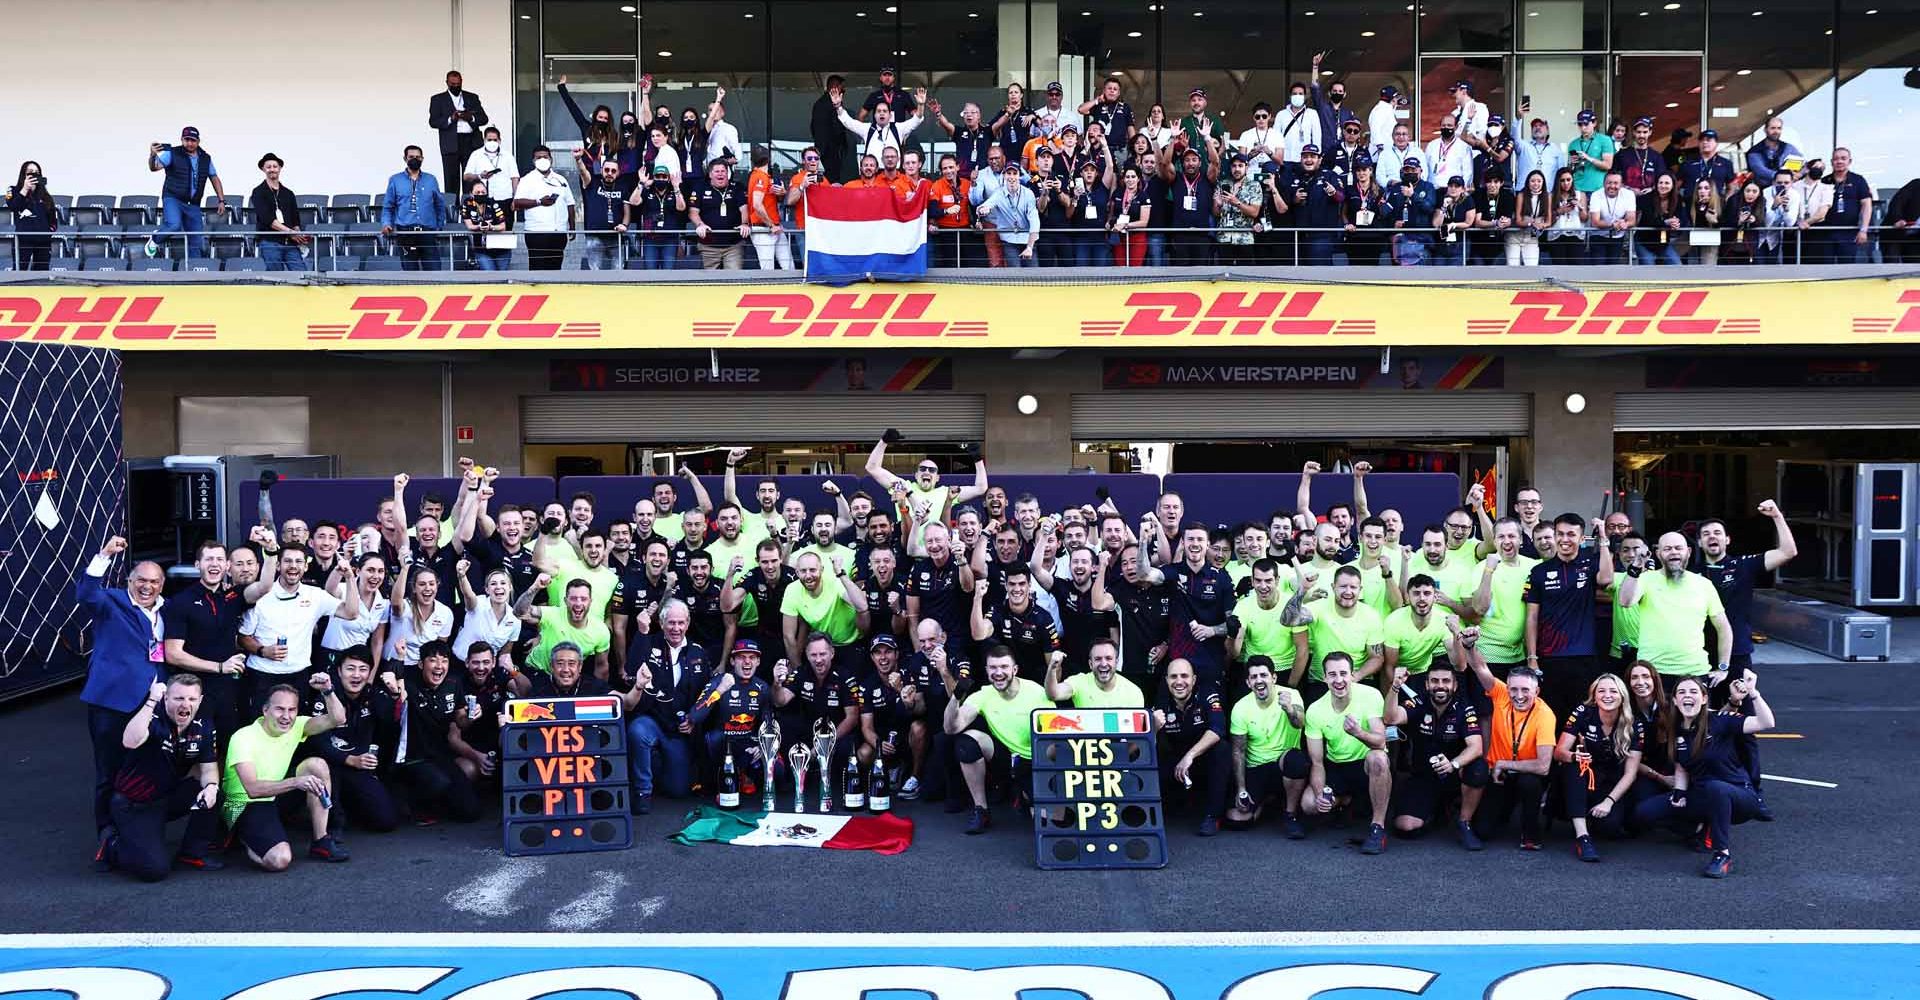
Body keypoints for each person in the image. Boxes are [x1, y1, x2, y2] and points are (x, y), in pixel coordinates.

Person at [1631, 673, 1775, 877]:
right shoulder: (1677, 728)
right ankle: (1699, 827)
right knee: (1644, 812)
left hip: (1739, 798)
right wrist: (1679, 793)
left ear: (1704, 698)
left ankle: (1722, 855)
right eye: (1681, 692)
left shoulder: (1719, 721)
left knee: (1716, 788)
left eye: (1693, 691)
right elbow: (1682, 766)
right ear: (1675, 700)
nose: (1687, 696)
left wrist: (1753, 693)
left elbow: (1766, 722)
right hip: (1701, 795)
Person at [96, 674, 223, 880]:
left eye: (191, 699)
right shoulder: (151, 717)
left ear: (200, 701)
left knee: (215, 792)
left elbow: (209, 769)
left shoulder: (204, 726)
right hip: (135, 804)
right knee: (154, 870)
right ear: (166, 699)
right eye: (178, 698)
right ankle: (111, 844)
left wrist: (210, 787)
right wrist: (151, 700)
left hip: (167, 796)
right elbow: (130, 741)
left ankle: (192, 852)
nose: (185, 704)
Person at [220, 674, 349, 870]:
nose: (286, 716)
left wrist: (327, 691)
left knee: (316, 765)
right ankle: (241, 836)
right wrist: (296, 782)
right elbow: (252, 789)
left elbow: (338, 718)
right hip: (245, 804)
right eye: (279, 709)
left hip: (276, 797)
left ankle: (321, 840)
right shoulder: (243, 737)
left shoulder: (296, 725)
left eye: (292, 710)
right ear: (265, 710)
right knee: (279, 859)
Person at [1459, 623, 1555, 849]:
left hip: (1525, 773)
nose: (1519, 696)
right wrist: (1470, 646)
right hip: (1498, 776)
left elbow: (1543, 766)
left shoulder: (1545, 715)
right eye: (1514, 689)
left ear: (1536, 692)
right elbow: (1480, 668)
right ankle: (1504, 811)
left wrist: (1505, 763)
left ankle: (1531, 834)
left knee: (1530, 783)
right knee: (1483, 831)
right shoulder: (1501, 694)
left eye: (1525, 691)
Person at [944, 645, 1052, 834]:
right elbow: (951, 728)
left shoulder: (1036, 692)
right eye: (993, 668)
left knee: (1045, 823)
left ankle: (1026, 794)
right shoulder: (984, 694)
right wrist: (956, 697)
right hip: (1004, 758)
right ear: (986, 671)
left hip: (1034, 760)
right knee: (966, 743)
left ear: (1014, 670)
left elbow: (1053, 738)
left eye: (1003, 667)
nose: (998, 673)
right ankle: (981, 810)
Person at [1385, 657, 1487, 849]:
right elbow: (1390, 718)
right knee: (1405, 827)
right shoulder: (1418, 702)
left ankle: (1464, 822)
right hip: (1423, 776)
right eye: (1435, 681)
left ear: (1455, 685)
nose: (1440, 686)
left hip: (1455, 775)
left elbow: (1476, 747)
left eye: (1446, 681)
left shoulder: (1464, 707)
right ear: (1427, 684)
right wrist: (1395, 687)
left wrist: (1453, 764)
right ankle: (1436, 810)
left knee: (1478, 768)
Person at [160, 541, 249, 746]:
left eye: (219, 559)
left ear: (227, 566)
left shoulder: (231, 595)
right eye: (209, 559)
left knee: (228, 746)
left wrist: (270, 550)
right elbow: (173, 653)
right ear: (197, 565)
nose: (214, 564)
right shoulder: (181, 602)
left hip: (228, 690)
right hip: (194, 691)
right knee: (195, 749)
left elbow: (264, 587)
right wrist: (219, 667)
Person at [1618, 532, 1732, 692]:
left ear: (1689, 552)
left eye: (1679, 548)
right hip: (1652, 673)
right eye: (1667, 549)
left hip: (1695, 673)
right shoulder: (1645, 579)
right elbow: (1625, 601)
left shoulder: (1704, 585)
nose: (1674, 552)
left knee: (1695, 718)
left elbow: (1724, 628)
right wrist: (1636, 566)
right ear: (1658, 554)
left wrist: (1723, 667)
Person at [1524, 513, 1615, 714]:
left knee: (1582, 715)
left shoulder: (1590, 563)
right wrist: (1532, 656)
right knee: (1550, 715)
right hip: (1549, 657)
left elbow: (1607, 579)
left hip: (1585, 656)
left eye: (1571, 535)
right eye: (1560, 534)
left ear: (1582, 539)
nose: (1565, 540)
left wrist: (1602, 538)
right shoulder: (1539, 571)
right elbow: (1531, 617)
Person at [1303, 652, 1392, 855]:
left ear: (1352, 675)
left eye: (1343, 673)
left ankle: (1377, 827)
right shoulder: (1315, 710)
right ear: (1324, 678)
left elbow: (1380, 741)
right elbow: (1317, 762)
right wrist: (1319, 795)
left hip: (1365, 765)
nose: (1339, 680)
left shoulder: (1370, 695)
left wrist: (1358, 733)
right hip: (1338, 766)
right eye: (1332, 675)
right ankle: (1344, 801)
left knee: (1378, 758)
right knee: (1309, 804)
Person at [309, 645, 401, 836]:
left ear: (369, 673)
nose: (356, 675)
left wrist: (394, 693)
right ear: (339, 671)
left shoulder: (373, 694)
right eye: (350, 669)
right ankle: (332, 823)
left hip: (359, 768)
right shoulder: (326, 694)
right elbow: (316, 743)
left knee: (386, 820)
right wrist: (349, 759)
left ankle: (351, 805)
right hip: (331, 766)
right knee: (325, 768)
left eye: (363, 669)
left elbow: (391, 725)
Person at [627, 600, 709, 812]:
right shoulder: (649, 643)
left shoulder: (697, 652)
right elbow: (631, 668)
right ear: (662, 624)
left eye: (681, 623)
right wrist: (642, 633)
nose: (676, 628)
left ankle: (657, 761)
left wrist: (694, 720)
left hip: (680, 729)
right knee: (637, 730)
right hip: (653, 720)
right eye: (671, 623)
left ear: (688, 623)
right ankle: (642, 791)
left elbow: (706, 695)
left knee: (678, 790)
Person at [1556, 673, 1644, 862]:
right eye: (1601, 691)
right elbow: (1559, 752)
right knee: (1573, 767)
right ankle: (1583, 837)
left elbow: (1631, 773)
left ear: (1622, 696)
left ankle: (1589, 817)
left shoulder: (1633, 723)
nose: (1607, 695)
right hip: (1584, 775)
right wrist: (1573, 755)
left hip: (1611, 782)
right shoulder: (1583, 712)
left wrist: (1609, 802)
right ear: (1594, 696)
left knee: (1610, 827)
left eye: (1613, 691)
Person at [1155, 658, 1228, 836]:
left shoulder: (1208, 694)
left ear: (1194, 679)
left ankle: (1213, 816)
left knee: (1222, 749)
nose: (1179, 682)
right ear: (1166, 680)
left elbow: (1218, 729)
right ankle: (1158, 810)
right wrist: (1154, 728)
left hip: (1201, 759)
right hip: (1175, 761)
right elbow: (1146, 742)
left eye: (1184, 676)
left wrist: (1190, 756)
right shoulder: (1161, 701)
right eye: (1173, 677)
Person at [145, 126, 225, 259]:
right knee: (174, 225)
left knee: (196, 241)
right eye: (186, 139)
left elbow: (214, 178)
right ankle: (155, 239)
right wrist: (152, 155)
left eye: (193, 140)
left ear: (198, 141)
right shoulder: (172, 153)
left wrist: (221, 200)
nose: (189, 143)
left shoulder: (205, 158)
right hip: (173, 198)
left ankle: (195, 271)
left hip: (193, 203)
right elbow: (154, 168)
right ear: (182, 140)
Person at [381, 145, 448, 271]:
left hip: (427, 232)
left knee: (434, 272)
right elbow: (388, 207)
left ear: (422, 159)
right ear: (405, 159)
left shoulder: (431, 179)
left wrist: (438, 226)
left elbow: (439, 205)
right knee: (410, 274)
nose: (415, 159)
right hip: (405, 233)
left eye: (418, 157)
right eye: (411, 157)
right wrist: (386, 224)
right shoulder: (395, 180)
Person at [243, 153, 308, 271]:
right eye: (268, 167)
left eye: (274, 166)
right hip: (270, 242)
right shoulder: (258, 192)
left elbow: (295, 219)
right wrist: (290, 232)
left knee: (302, 274)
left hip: (290, 244)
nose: (272, 169)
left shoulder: (288, 193)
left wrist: (298, 235)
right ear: (263, 169)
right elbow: (267, 219)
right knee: (276, 278)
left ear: (280, 168)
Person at [513, 146, 575, 270]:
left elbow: (570, 203)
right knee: (537, 269)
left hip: (559, 232)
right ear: (533, 161)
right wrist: (539, 202)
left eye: (545, 157)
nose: (542, 160)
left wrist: (572, 227)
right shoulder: (527, 180)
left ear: (551, 160)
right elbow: (517, 202)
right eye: (538, 157)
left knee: (555, 268)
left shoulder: (560, 180)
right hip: (537, 232)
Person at [429, 70, 489, 193]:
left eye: (458, 84)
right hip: (450, 143)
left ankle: (470, 208)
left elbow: (484, 119)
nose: (456, 86)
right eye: (453, 84)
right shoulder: (438, 99)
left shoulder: (472, 97)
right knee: (451, 180)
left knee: (471, 178)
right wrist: (451, 119)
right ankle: (452, 211)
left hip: (471, 142)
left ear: (462, 82)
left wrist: (470, 118)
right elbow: (433, 121)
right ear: (447, 83)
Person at [688, 159, 750, 270]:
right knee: (709, 282)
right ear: (710, 174)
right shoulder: (700, 188)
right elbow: (693, 212)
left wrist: (745, 223)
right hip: (708, 246)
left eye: (723, 171)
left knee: (733, 280)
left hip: (733, 246)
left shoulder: (737, 187)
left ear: (727, 173)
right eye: (717, 171)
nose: (720, 174)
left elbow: (744, 209)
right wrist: (700, 224)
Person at [1045, 637, 1141, 708]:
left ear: (1116, 662)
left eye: (1108, 658)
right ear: (1090, 664)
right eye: (1098, 659)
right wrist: (1052, 667)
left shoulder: (1133, 692)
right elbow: (1053, 694)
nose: (1103, 664)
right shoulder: (1079, 681)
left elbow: (1137, 733)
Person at [1821, 147, 1874, 265]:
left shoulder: (1858, 180)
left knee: (1846, 267)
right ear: (1831, 162)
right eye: (1836, 159)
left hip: (1849, 232)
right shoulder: (1825, 180)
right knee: (1824, 267)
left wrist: (1863, 230)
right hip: (1825, 232)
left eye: (1843, 158)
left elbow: (1867, 205)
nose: (1839, 161)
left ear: (1850, 161)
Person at [580, 158, 631, 270]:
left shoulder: (622, 187)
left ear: (618, 173)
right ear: (602, 170)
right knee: (595, 272)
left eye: (613, 171)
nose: (609, 173)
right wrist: (578, 159)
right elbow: (583, 172)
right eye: (607, 170)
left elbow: (627, 212)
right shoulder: (593, 182)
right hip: (595, 236)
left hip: (615, 237)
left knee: (619, 271)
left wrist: (624, 225)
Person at [4, 161, 56, 270]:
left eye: (37, 172)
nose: (34, 175)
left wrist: (48, 232)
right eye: (30, 172)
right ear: (24, 174)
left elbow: (53, 219)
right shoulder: (13, 190)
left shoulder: (46, 196)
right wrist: (25, 189)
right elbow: (13, 206)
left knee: (41, 273)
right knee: (19, 271)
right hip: (23, 239)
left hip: (43, 241)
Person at [1585, 170, 1637, 264]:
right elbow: (1595, 222)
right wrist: (1613, 224)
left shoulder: (1629, 195)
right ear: (1604, 183)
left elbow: (1632, 220)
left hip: (1618, 237)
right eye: (1609, 183)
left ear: (1621, 184)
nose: (1612, 186)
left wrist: (1625, 224)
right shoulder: (1596, 195)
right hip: (1598, 236)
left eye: (1616, 183)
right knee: (1598, 267)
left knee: (1612, 267)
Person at [462, 175, 513, 270]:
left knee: (502, 278)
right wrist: (479, 226)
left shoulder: (493, 203)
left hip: (501, 248)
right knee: (490, 275)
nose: (481, 194)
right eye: (477, 192)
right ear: (471, 194)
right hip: (482, 249)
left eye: (483, 192)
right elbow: (469, 226)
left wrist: (491, 227)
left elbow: (503, 226)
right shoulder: (468, 203)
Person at [811, 76, 853, 183]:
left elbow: (813, 127)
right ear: (834, 87)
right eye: (841, 87)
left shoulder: (819, 103)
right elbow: (836, 127)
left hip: (825, 148)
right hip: (830, 149)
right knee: (833, 179)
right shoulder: (828, 104)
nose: (843, 90)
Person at [463, 125, 519, 205]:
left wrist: (515, 198)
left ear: (499, 141)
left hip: (505, 198)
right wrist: (480, 176)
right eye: (489, 140)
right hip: (483, 199)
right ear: (484, 140)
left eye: (495, 140)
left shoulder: (508, 156)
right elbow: (466, 176)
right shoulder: (476, 155)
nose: (492, 142)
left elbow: (515, 178)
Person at [1565, 109, 1614, 197]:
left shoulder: (1605, 140)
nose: (1583, 128)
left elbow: (1608, 165)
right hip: (1578, 187)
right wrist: (1572, 163)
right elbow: (1570, 170)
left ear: (1594, 123)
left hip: (1598, 188)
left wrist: (1588, 158)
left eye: (1586, 124)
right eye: (1580, 124)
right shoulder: (1573, 144)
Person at [1745, 116, 1803, 183]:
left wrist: (1800, 174)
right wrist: (1781, 176)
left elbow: (1802, 164)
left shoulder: (1789, 148)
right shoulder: (1755, 151)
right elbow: (1760, 170)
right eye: (1772, 128)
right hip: (1763, 189)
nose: (1776, 131)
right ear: (1765, 130)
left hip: (1787, 187)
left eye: (1779, 128)